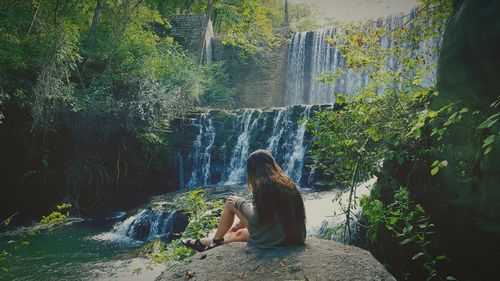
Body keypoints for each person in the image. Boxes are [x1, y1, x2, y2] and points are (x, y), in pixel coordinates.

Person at [182, 149, 306, 252]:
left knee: (231, 202)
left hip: (277, 240)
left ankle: (214, 242)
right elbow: (268, 215)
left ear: (252, 169)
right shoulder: (287, 182)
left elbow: (256, 219)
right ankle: (207, 242)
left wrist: (240, 203)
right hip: (296, 237)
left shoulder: (263, 185)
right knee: (239, 230)